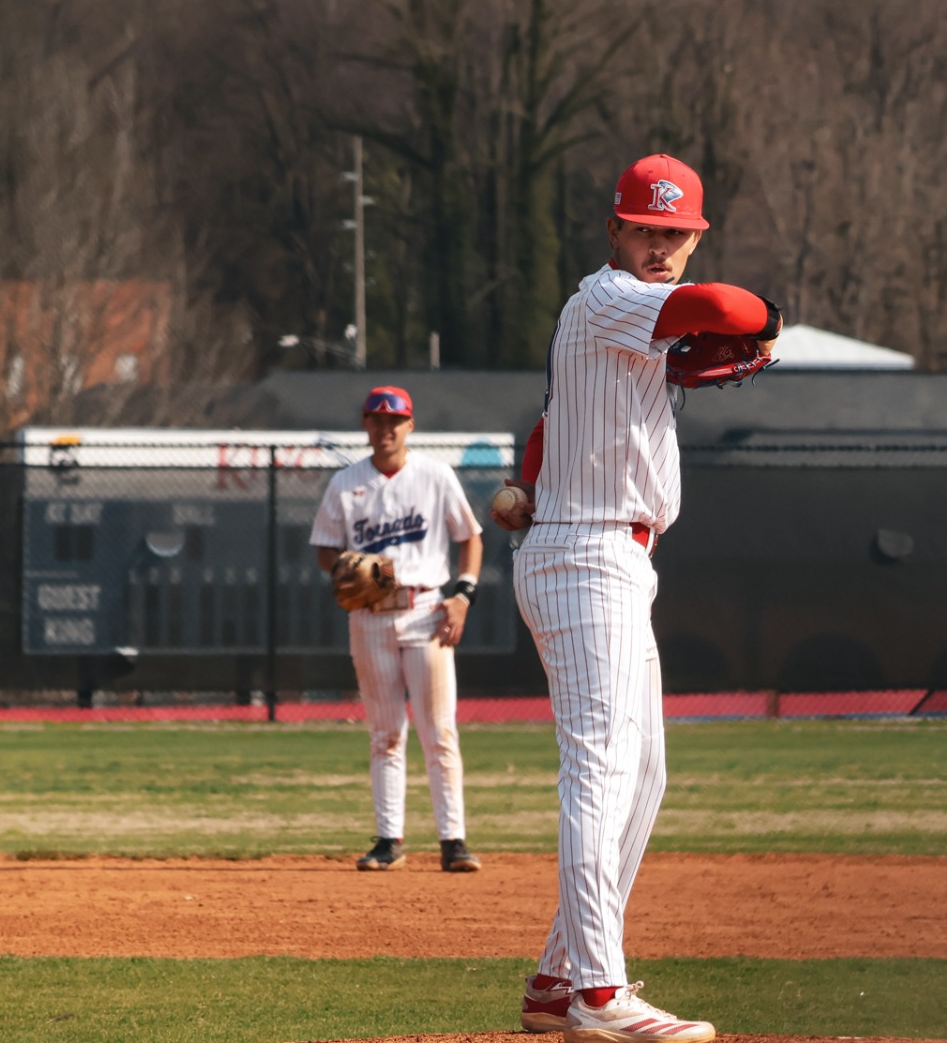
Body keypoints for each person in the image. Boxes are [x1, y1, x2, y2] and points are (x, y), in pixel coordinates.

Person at [495, 155, 780, 1043]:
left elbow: (550, 426)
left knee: (643, 772)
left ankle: (557, 978)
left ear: (694, 236)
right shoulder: (610, 298)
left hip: (609, 556)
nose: (661, 246)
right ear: (615, 230)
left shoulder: (628, 328)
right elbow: (726, 308)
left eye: (676, 233)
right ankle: (600, 992)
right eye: (647, 229)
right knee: (601, 770)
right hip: (587, 552)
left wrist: (527, 479)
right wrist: (770, 322)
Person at [311, 385, 485, 873]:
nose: (385, 428)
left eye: (395, 420)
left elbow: (470, 537)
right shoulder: (346, 483)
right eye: (377, 419)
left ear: (410, 425)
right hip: (370, 615)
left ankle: (453, 841)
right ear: (365, 425)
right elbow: (325, 547)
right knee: (385, 733)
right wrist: (347, 568)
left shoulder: (435, 475)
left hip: (425, 610)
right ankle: (389, 840)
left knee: (439, 730)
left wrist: (463, 595)